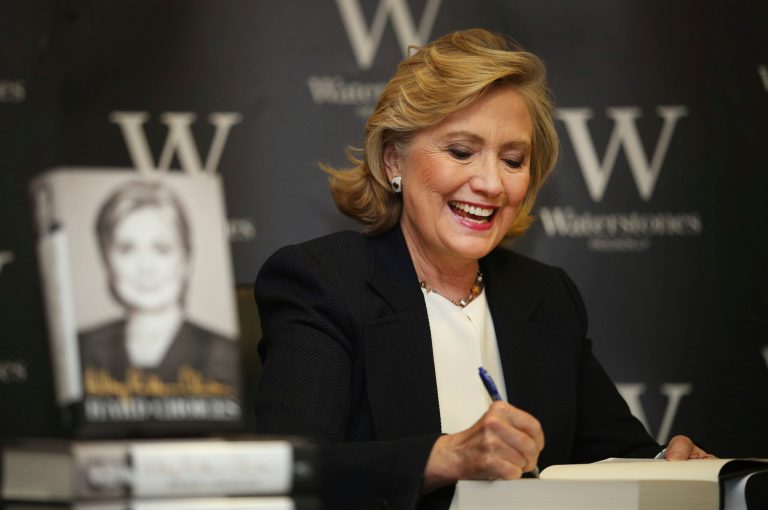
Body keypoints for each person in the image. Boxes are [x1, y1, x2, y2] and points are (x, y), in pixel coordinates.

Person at [252, 29, 710, 509]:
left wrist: (665, 464)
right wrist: (447, 457)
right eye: (461, 152)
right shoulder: (324, 282)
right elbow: (292, 470)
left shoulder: (545, 295)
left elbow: (614, 457)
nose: (491, 183)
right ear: (394, 159)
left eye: (513, 160)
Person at [79, 179, 238, 395]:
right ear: (106, 259)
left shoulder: (223, 353)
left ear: (187, 259)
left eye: (161, 249)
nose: (145, 267)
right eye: (127, 249)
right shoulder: (83, 348)